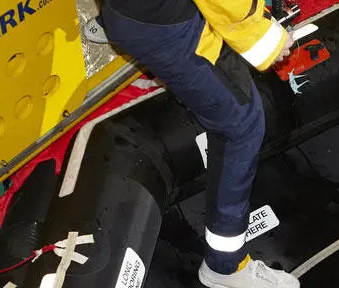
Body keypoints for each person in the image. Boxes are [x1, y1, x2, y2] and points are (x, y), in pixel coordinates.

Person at [97, 0, 295, 286]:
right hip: (167, 26)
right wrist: (264, 36)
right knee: (241, 124)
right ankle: (225, 267)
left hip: (130, 10)